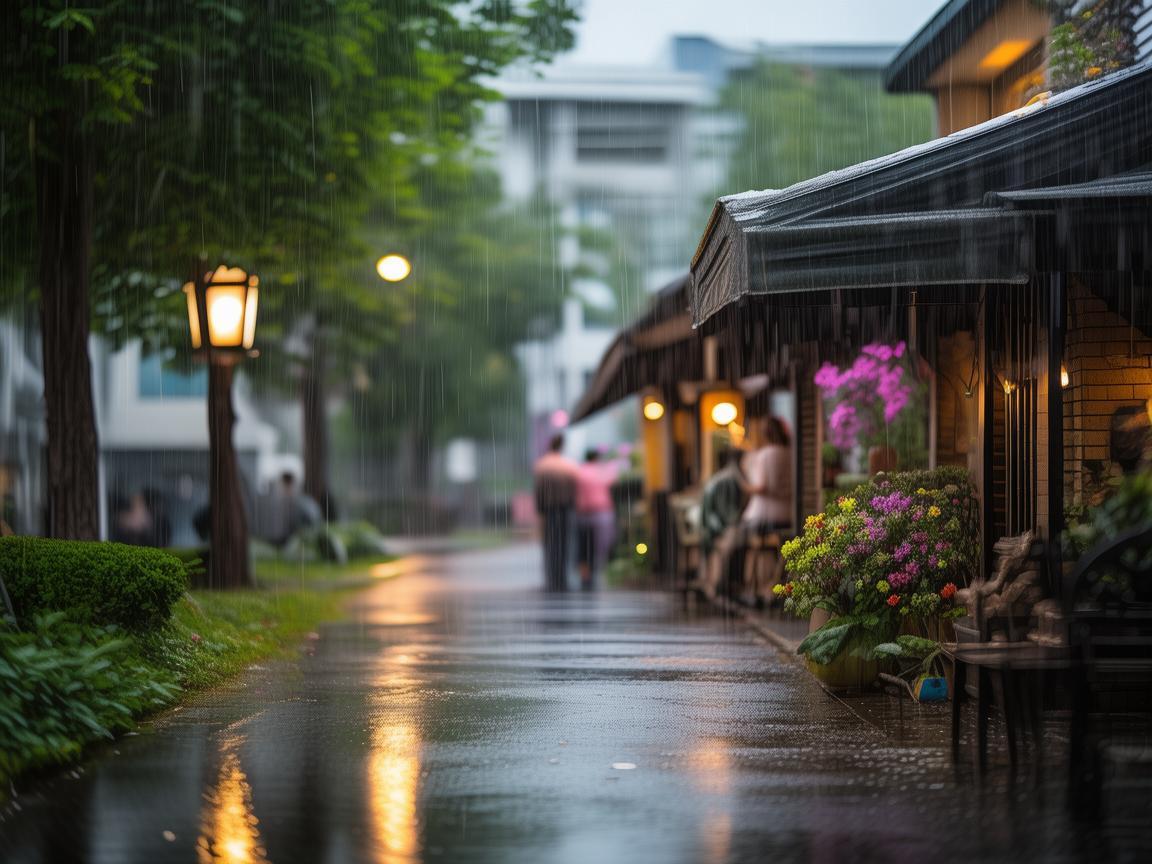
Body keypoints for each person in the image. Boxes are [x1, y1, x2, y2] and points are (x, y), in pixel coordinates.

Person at [533, 434, 578, 591]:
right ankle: (562, 578)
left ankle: (551, 578)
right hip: (565, 509)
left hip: (548, 510)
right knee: (563, 545)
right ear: (562, 446)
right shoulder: (567, 466)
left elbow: (538, 491)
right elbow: (574, 490)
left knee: (549, 545)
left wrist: (540, 509)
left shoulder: (542, 466)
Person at [575, 449, 620, 590]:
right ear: (596, 458)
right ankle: (600, 570)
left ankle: (586, 575)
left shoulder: (578, 472)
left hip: (583, 514)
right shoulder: (603, 471)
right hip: (602, 513)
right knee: (602, 545)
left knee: (584, 547)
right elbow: (615, 481)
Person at [700, 445, 747, 571]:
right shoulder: (729, 479)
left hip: (709, 527)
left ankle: (724, 578)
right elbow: (728, 515)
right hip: (718, 528)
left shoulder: (721, 477)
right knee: (738, 533)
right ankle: (727, 578)